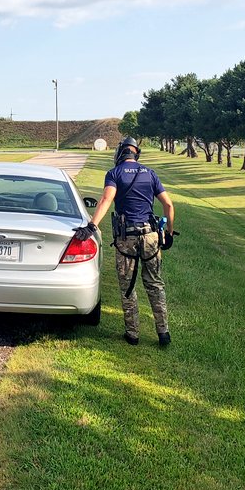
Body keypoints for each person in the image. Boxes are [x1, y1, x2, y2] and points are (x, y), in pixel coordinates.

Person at [75, 137, 177, 346]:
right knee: (155, 284)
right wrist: (168, 233)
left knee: (128, 287)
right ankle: (163, 332)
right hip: (151, 236)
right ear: (136, 153)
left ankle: (133, 334)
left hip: (126, 237)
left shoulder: (114, 174)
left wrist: (91, 226)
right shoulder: (150, 173)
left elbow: (105, 200)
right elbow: (168, 204)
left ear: (120, 153)